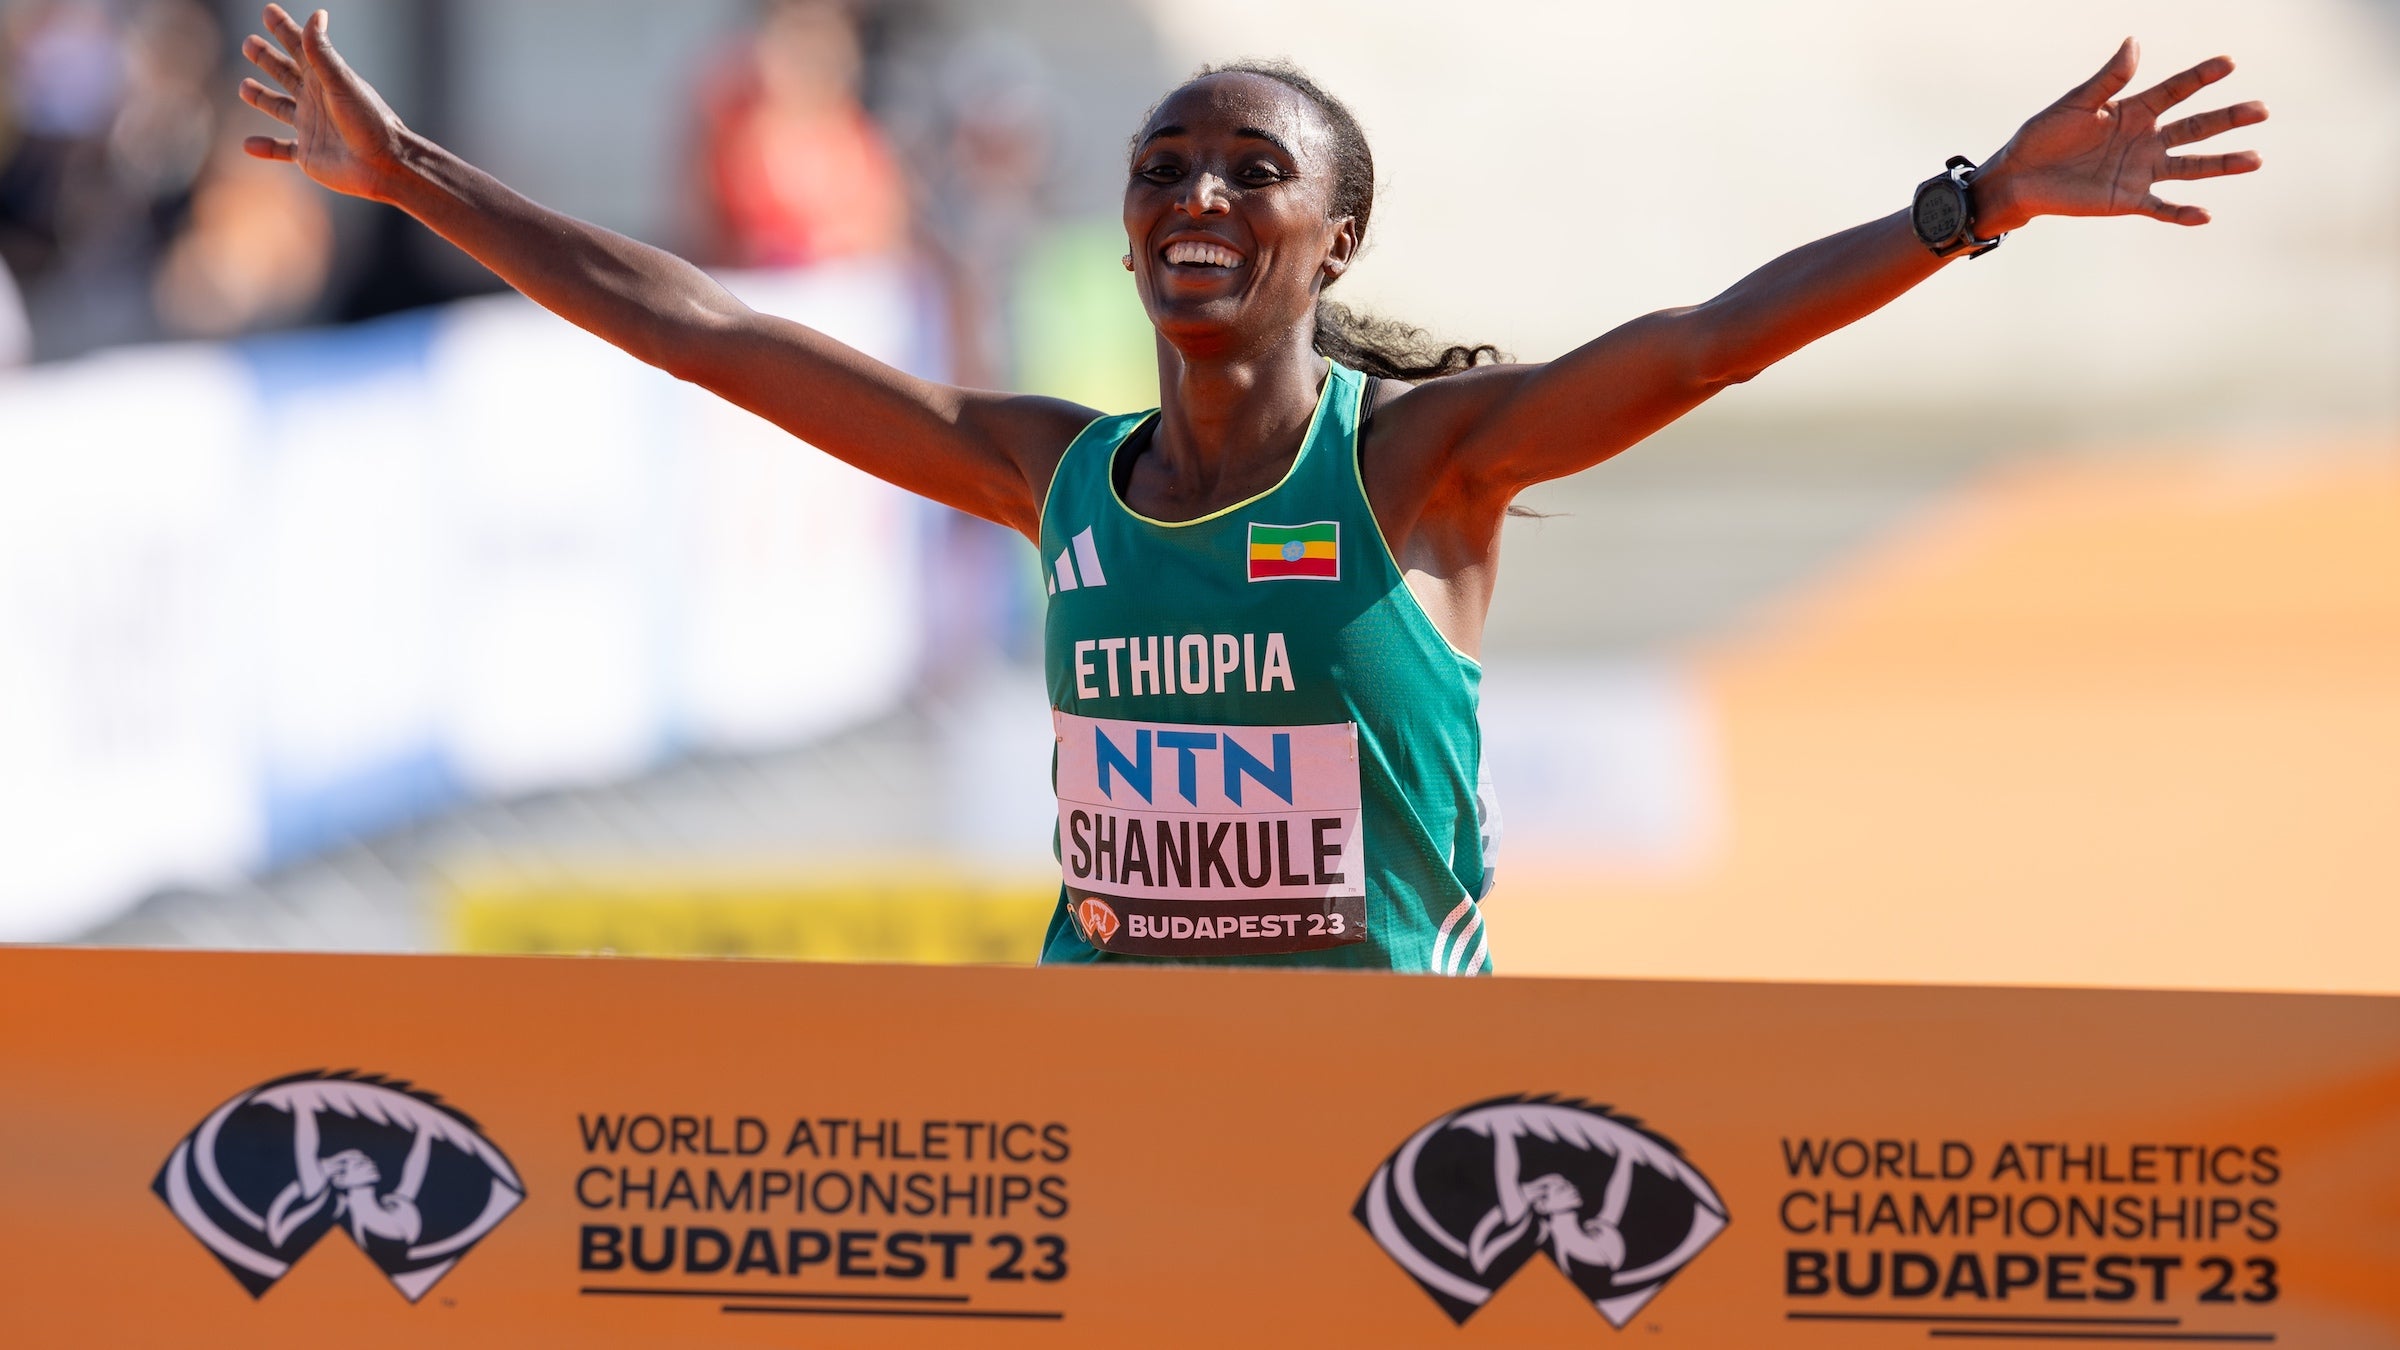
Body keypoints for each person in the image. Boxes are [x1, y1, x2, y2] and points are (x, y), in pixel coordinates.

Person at [230, 5, 2264, 974]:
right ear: (1125, 245)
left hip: (1380, 1131)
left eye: (1249, 174)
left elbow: (1707, 339)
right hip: (1110, 1093)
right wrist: (412, 177)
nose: (1196, 196)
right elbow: (703, 334)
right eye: (1163, 175)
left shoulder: (1424, 464)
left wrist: (1973, 205)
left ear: (1333, 245)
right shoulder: (1060, 475)